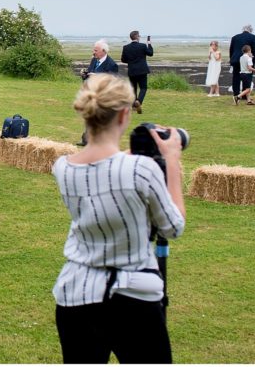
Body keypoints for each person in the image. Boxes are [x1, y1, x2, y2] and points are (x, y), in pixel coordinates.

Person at [51, 73, 185, 364]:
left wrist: (130, 154)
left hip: (76, 293)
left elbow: (103, 169)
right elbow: (173, 227)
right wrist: (172, 161)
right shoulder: (140, 170)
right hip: (133, 295)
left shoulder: (62, 168)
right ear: (125, 114)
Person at [120, 30, 153, 114]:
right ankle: (139, 101)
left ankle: (134, 106)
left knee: (133, 88)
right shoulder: (142, 46)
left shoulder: (126, 47)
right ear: (137, 36)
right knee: (143, 88)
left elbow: (123, 60)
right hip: (142, 70)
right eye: (139, 36)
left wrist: (131, 61)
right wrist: (149, 43)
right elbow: (150, 53)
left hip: (132, 71)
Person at [229, 24, 255, 102]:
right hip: (246, 61)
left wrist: (231, 60)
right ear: (251, 30)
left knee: (236, 78)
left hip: (235, 60)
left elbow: (231, 50)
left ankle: (236, 94)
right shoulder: (253, 37)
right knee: (247, 78)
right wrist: (252, 63)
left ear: (243, 29)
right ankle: (245, 96)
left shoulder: (235, 37)